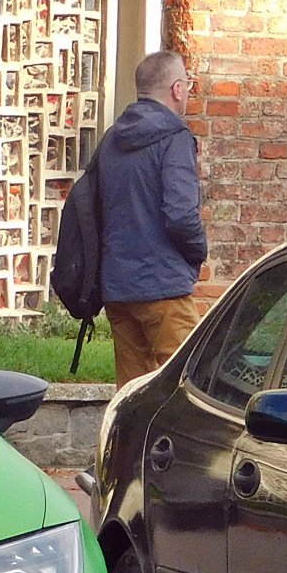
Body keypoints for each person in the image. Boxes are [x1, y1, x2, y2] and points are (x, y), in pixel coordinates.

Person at [98, 50, 208, 387]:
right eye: (187, 85)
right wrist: (197, 254)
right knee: (188, 390)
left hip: (119, 290)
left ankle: (130, 443)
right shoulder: (174, 138)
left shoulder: (111, 140)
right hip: (165, 290)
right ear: (176, 89)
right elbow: (180, 214)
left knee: (133, 395)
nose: (188, 93)